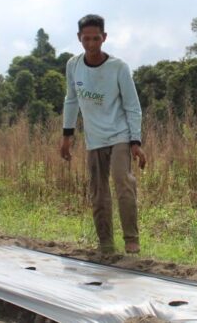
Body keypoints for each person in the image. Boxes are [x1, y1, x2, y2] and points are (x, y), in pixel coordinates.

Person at [59, 14, 147, 255]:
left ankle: (131, 238)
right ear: (79, 38)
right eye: (86, 39)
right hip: (94, 139)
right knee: (98, 192)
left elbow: (132, 105)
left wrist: (136, 141)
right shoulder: (73, 65)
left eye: (95, 38)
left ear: (104, 38)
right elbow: (71, 100)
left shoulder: (118, 67)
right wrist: (67, 136)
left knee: (123, 182)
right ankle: (106, 243)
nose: (90, 44)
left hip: (119, 135)